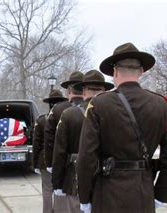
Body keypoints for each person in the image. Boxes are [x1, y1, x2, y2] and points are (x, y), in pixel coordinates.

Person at [76, 43, 167, 213]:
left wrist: (85, 197)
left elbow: (86, 157)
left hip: (107, 193)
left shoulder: (99, 104)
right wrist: (160, 195)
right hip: (143, 192)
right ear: (141, 72)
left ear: (115, 72)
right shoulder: (162, 105)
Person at [52, 70, 113, 213]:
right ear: (104, 91)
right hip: (106, 180)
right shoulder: (113, 113)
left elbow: (59, 152)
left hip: (75, 179)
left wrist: (57, 183)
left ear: (84, 91)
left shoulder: (68, 115)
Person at [44, 71, 84, 212]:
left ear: (68, 90)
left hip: (66, 171)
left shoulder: (57, 110)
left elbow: (49, 141)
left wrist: (50, 165)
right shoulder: (95, 108)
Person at [33, 89, 68, 213]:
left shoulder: (42, 120)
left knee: (47, 190)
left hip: (44, 159)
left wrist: (35, 163)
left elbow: (36, 143)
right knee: (61, 190)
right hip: (63, 158)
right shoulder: (68, 117)